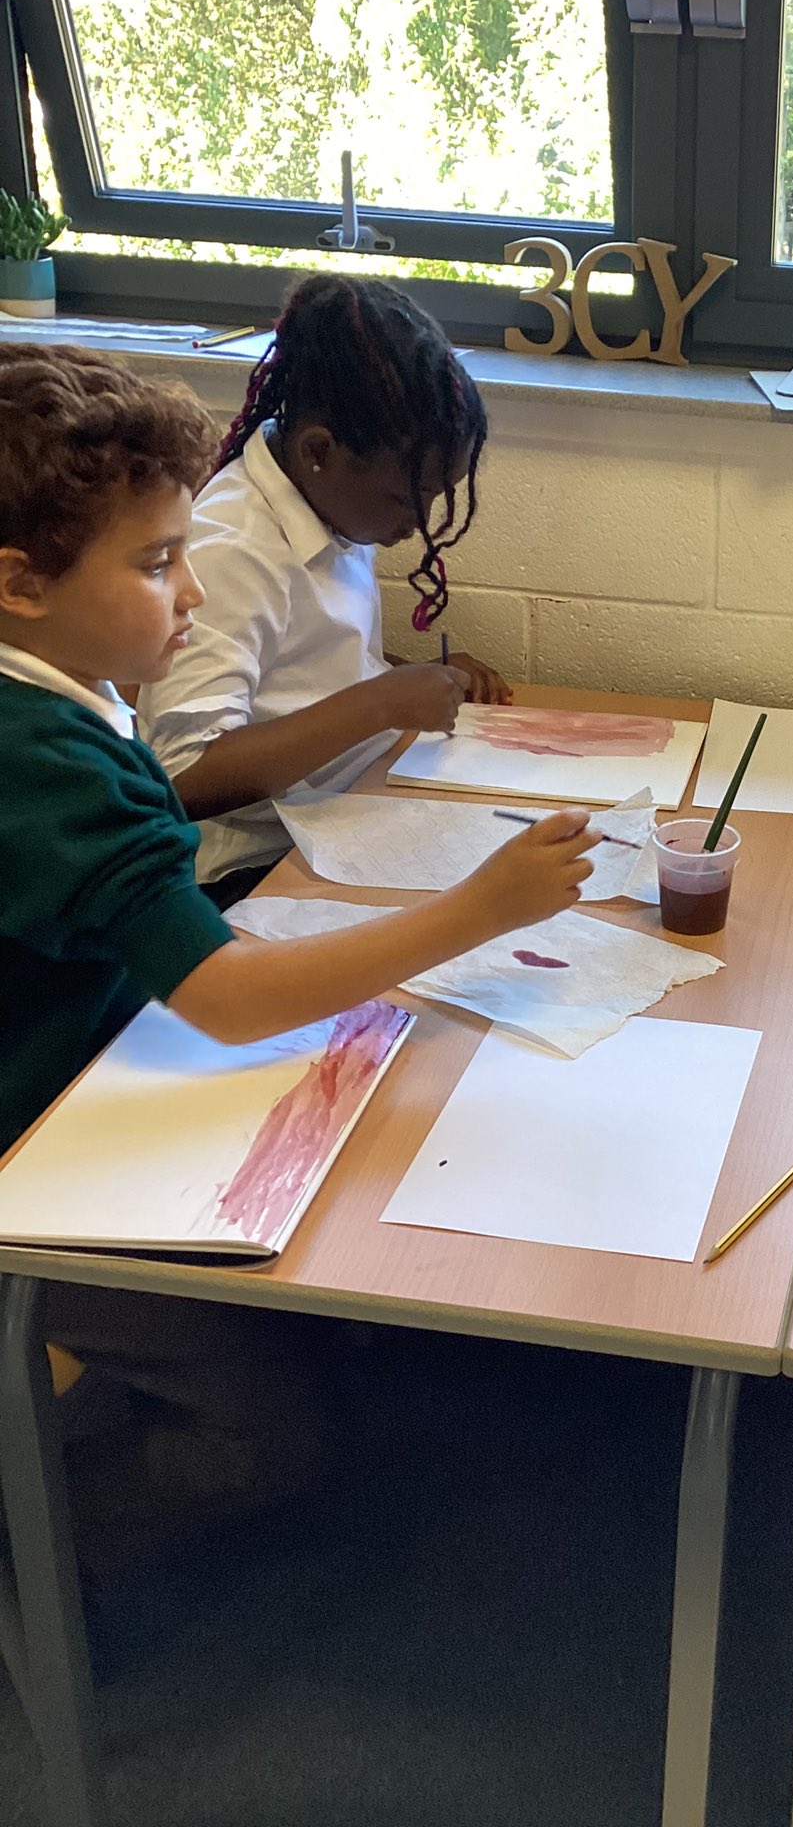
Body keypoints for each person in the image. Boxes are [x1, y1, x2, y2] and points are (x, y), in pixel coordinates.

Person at [0, 342, 595, 1510]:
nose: (193, 591)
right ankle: (48, 1561)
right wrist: (477, 910)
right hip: (37, 1157)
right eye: (159, 563)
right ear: (21, 582)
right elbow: (226, 999)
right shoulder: (49, 770)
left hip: (102, 1073)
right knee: (281, 1434)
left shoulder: (60, 699)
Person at [139, 272, 507, 909]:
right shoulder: (232, 549)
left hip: (347, 809)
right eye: (406, 499)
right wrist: (382, 703)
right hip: (250, 873)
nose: (418, 523)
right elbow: (183, 774)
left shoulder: (327, 497)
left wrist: (410, 674)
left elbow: (294, 664)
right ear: (319, 450)